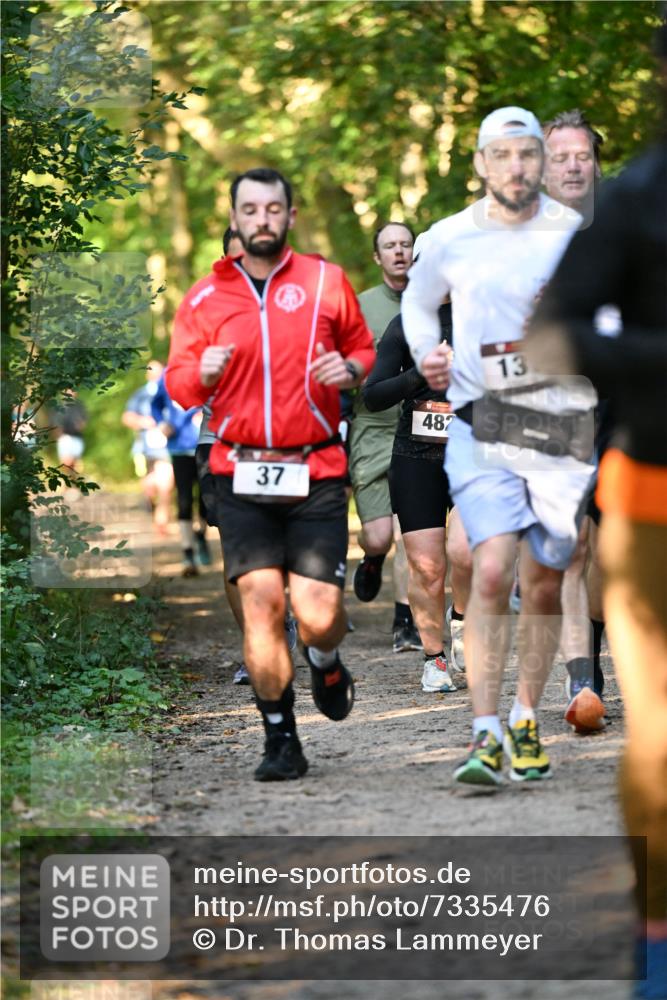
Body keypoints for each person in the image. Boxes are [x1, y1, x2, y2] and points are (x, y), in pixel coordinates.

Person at [402, 106, 595, 786]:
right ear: (481, 163)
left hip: (554, 423)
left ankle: (523, 717)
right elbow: (417, 304)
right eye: (502, 154)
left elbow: (602, 313)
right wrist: (428, 354)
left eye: (527, 154)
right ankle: (483, 734)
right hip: (477, 421)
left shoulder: (569, 233)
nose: (516, 166)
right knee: (489, 569)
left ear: (540, 162)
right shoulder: (448, 237)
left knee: (543, 580)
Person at [166, 167, 375, 782]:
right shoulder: (204, 298)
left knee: (316, 615)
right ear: (233, 218)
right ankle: (280, 739)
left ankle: (327, 659)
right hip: (240, 469)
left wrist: (351, 368)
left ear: (289, 214)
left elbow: (364, 350)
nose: (262, 219)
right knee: (260, 606)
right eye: (249, 209)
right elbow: (178, 388)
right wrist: (200, 373)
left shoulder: (325, 282)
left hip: (315, 467)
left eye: (273, 208)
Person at [526, 111, 667, 999]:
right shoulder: (638, 198)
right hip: (654, 502)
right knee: (659, 742)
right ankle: (656, 944)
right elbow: (545, 340)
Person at [363, 300, 472, 691]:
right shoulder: (406, 323)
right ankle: (434, 659)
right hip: (415, 456)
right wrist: (419, 374)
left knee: (466, 552)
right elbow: (372, 395)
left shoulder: (491, 315)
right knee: (426, 567)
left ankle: (460, 618)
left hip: (473, 456)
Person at [543, 109, 610, 733]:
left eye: (580, 155)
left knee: (616, 551)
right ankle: (583, 685)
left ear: (595, 161)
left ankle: (611, 651)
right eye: (558, 155)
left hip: (627, 404)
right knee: (571, 547)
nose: (570, 165)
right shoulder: (517, 232)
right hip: (555, 407)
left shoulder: (630, 215)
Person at [349, 222, 421, 653]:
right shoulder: (359, 309)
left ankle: (406, 621)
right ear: (377, 257)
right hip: (372, 430)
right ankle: (373, 558)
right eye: (389, 246)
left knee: (411, 531)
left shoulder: (436, 303)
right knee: (379, 536)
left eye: (405, 244)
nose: (398, 251)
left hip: (421, 426)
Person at [151, 372, 210, 576]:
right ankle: (188, 551)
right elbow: (155, 404)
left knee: (205, 499)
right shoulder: (167, 376)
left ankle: (201, 536)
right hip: (178, 448)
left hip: (205, 446)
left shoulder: (206, 367)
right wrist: (161, 423)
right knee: (184, 499)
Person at [122, 361, 174, 535]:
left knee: (166, 483)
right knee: (150, 484)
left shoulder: (171, 393)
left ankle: (162, 521)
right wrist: (143, 422)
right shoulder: (140, 395)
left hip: (166, 447)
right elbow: (127, 417)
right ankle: (150, 504)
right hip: (145, 447)